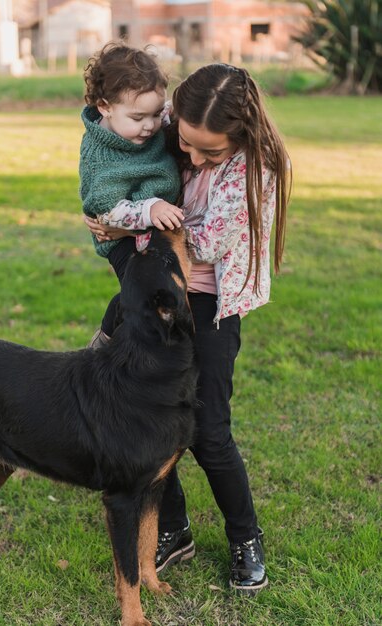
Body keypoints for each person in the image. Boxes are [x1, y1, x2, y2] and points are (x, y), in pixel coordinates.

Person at [85, 63, 291, 594]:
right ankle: (172, 529)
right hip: (156, 297)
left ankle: (245, 536)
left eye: (210, 154)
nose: (192, 159)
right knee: (148, 414)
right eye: (187, 145)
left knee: (207, 430)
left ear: (239, 139)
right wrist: (110, 202)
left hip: (209, 307)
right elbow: (110, 141)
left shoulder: (256, 170)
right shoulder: (169, 120)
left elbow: (199, 241)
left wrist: (125, 219)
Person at [79, 42, 184, 345]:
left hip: (157, 224)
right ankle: (106, 347)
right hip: (119, 239)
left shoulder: (149, 123)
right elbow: (103, 206)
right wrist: (149, 209)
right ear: (105, 107)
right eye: (138, 118)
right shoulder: (100, 154)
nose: (150, 126)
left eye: (156, 113)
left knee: (160, 302)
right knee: (146, 301)